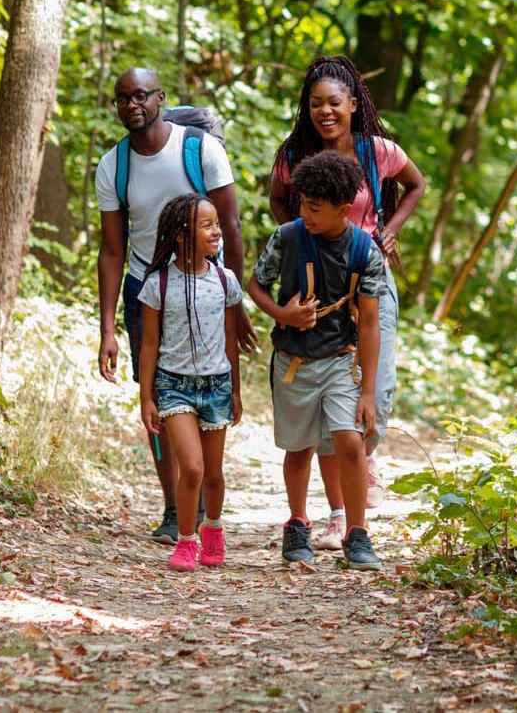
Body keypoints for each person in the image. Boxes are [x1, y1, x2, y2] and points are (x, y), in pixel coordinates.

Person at [267, 56, 427, 550]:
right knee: (327, 394)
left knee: (377, 390)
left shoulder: (377, 151)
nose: (325, 112)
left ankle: (363, 455)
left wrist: (390, 230)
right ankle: (340, 515)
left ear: (353, 104)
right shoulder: (294, 154)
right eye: (316, 103)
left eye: (334, 102)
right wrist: (299, 239)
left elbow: (417, 184)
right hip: (318, 284)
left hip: (369, 276)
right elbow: (278, 200)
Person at [95, 68, 256, 543]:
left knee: (207, 385)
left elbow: (230, 226)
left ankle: (201, 497)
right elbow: (112, 250)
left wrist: (236, 302)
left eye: (140, 96)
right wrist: (107, 330)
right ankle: (173, 507)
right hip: (148, 289)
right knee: (157, 394)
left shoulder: (200, 150)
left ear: (160, 97)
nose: (132, 106)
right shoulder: (114, 165)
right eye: (122, 99)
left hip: (206, 286)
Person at [246, 151, 389, 570]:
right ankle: (297, 522)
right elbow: (255, 285)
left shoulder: (364, 251)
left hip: (340, 360)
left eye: (314, 207)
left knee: (350, 440)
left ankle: (357, 532)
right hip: (294, 361)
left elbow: (370, 324)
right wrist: (283, 315)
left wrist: (368, 391)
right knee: (299, 448)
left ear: (343, 209)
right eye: (303, 204)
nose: (305, 214)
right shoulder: (287, 237)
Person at [136, 194, 244, 571]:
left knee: (213, 474)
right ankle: (186, 541)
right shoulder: (158, 284)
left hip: (216, 385)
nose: (217, 231)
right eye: (207, 225)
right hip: (173, 386)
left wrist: (235, 390)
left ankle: (213, 528)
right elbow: (149, 345)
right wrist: (146, 397)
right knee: (193, 468)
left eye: (217, 224)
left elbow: (230, 339)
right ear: (182, 234)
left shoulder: (225, 281)